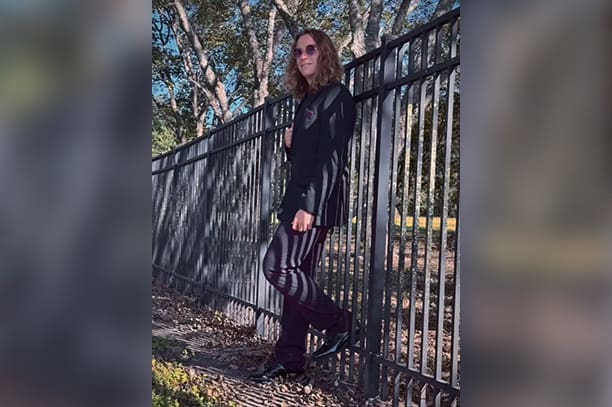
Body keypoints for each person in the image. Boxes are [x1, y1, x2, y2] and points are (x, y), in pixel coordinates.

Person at [248, 29, 358, 382]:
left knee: (277, 268)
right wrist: (289, 145)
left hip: (315, 203)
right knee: (297, 279)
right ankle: (290, 357)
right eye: (297, 52)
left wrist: (309, 206)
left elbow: (331, 160)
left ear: (325, 53)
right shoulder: (307, 101)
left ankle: (339, 323)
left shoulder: (336, 97)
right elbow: (306, 157)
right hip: (297, 199)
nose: (303, 56)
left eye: (311, 49)